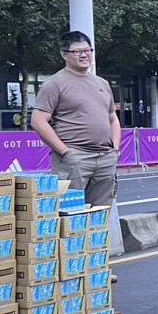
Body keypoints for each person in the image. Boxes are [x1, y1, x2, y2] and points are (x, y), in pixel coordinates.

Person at [31, 31, 121, 210]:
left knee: (101, 213)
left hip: (105, 158)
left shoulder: (102, 84)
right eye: (78, 51)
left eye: (88, 50)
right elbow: (38, 121)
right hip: (74, 158)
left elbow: (112, 118)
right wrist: (65, 152)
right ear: (64, 54)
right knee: (70, 213)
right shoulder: (55, 84)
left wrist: (115, 150)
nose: (84, 55)